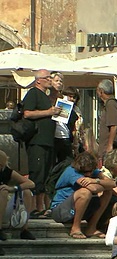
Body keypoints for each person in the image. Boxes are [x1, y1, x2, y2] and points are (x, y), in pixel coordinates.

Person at [50, 151, 115, 239]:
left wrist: (96, 181)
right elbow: (93, 189)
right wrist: (104, 185)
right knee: (85, 192)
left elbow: (112, 183)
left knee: (109, 191)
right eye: (85, 172)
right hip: (60, 210)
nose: (88, 174)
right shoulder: (71, 172)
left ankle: (91, 227)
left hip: (79, 209)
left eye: (90, 171)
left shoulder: (93, 171)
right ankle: (75, 228)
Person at [23, 69, 61, 217]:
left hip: (47, 141)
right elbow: (27, 113)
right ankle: (33, 207)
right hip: (37, 141)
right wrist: (48, 112)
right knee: (37, 173)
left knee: (45, 173)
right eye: (47, 78)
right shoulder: (33, 93)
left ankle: (41, 206)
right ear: (39, 80)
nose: (50, 80)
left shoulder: (45, 96)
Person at [0, 150, 36, 240]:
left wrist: (13, 188)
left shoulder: (6, 171)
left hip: (3, 210)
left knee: (26, 191)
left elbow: (31, 183)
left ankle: (24, 230)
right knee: (3, 193)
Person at [50, 72, 74, 165]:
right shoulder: (47, 98)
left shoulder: (65, 99)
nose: (59, 83)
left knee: (67, 163)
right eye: (56, 81)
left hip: (64, 134)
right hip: (52, 135)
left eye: (61, 81)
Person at [96, 79, 117, 159]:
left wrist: (110, 145)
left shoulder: (111, 104)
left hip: (108, 148)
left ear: (101, 91)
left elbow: (114, 125)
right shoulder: (108, 104)